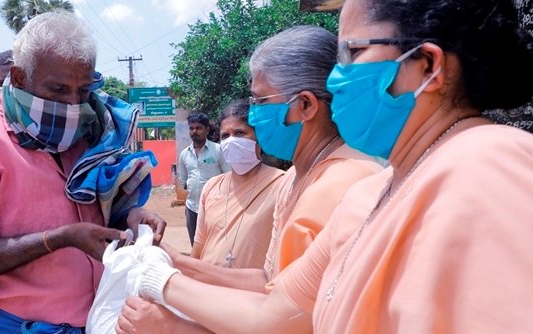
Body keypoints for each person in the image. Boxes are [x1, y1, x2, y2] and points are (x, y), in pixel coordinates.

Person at [121, 0, 533, 333]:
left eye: (352, 53)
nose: (336, 79)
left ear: (428, 65)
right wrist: (162, 276)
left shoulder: (489, 164)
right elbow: (276, 312)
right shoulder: (376, 191)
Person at [116, 25, 383, 333]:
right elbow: (269, 280)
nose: (253, 115)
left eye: (260, 102)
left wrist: (171, 321)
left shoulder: (342, 186)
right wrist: (176, 261)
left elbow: (284, 322)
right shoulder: (300, 175)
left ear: (305, 105)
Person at [0, 10, 165, 333]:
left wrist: (130, 218)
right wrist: (59, 239)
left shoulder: (90, 137)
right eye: (58, 89)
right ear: (21, 78)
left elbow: (101, 220)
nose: (72, 104)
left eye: (82, 92)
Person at [190, 99, 285, 269]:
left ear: (260, 137)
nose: (231, 141)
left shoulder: (282, 184)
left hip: (252, 292)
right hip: (208, 289)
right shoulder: (211, 187)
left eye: (240, 133)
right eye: (225, 136)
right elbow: (198, 248)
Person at [178, 112, 230, 245]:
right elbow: (183, 179)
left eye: (199, 128)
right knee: (195, 245)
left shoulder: (218, 150)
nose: (194, 131)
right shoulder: (184, 154)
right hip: (191, 207)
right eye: (191, 128)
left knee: (213, 245)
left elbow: (229, 176)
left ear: (207, 130)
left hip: (214, 207)